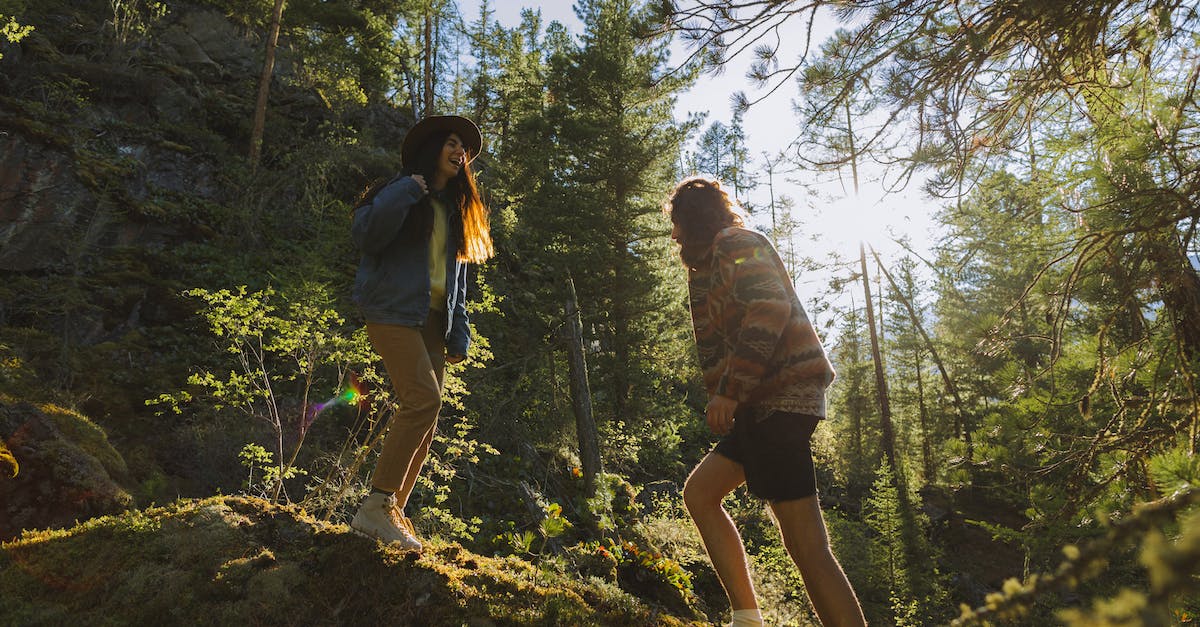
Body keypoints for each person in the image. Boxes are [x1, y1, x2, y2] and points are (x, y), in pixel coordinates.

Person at [666, 178, 866, 627]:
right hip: (760, 408)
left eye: (676, 222)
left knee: (808, 550)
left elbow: (770, 309)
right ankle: (747, 617)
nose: (674, 234)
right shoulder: (715, 259)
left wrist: (729, 392)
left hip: (780, 403)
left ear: (693, 217)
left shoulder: (736, 243)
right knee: (700, 493)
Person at [348, 115, 493, 550]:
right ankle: (374, 507)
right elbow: (366, 235)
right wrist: (409, 189)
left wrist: (459, 332)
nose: (459, 153)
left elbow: (459, 279)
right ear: (433, 148)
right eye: (451, 143)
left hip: (433, 321)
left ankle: (391, 513)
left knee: (426, 422)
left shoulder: (454, 209)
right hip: (392, 310)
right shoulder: (401, 191)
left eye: (463, 149)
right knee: (422, 401)